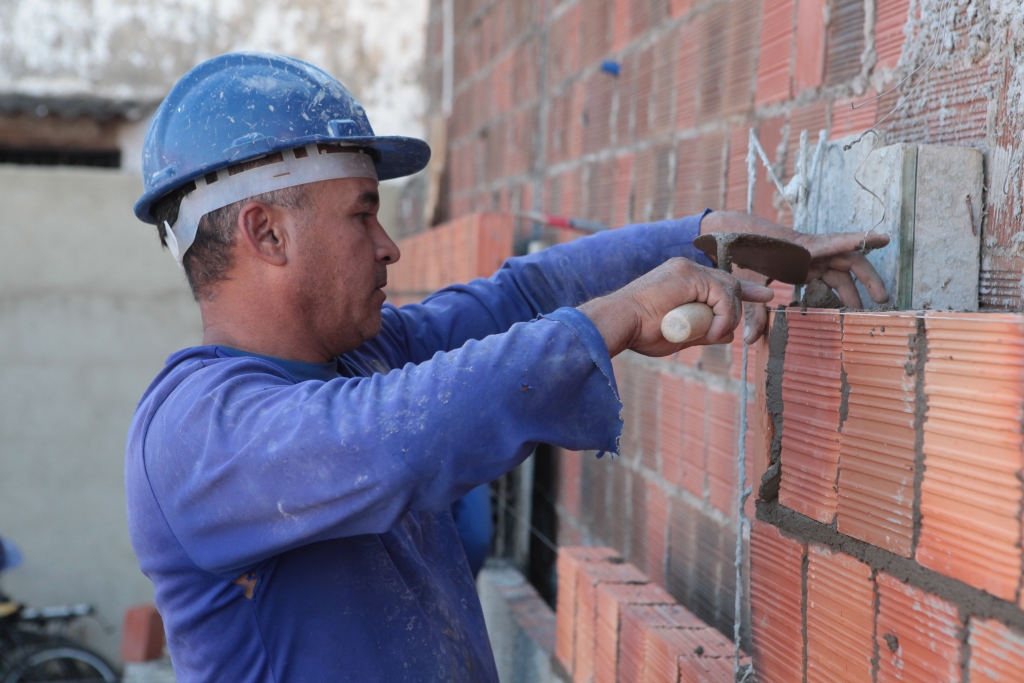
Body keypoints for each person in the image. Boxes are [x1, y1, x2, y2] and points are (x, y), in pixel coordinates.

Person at [125, 52, 889, 683]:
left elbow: (522, 297)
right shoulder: (194, 434)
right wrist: (621, 315)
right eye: (362, 213)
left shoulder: (362, 357)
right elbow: (391, 441)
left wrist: (702, 238)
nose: (389, 246)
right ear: (267, 233)